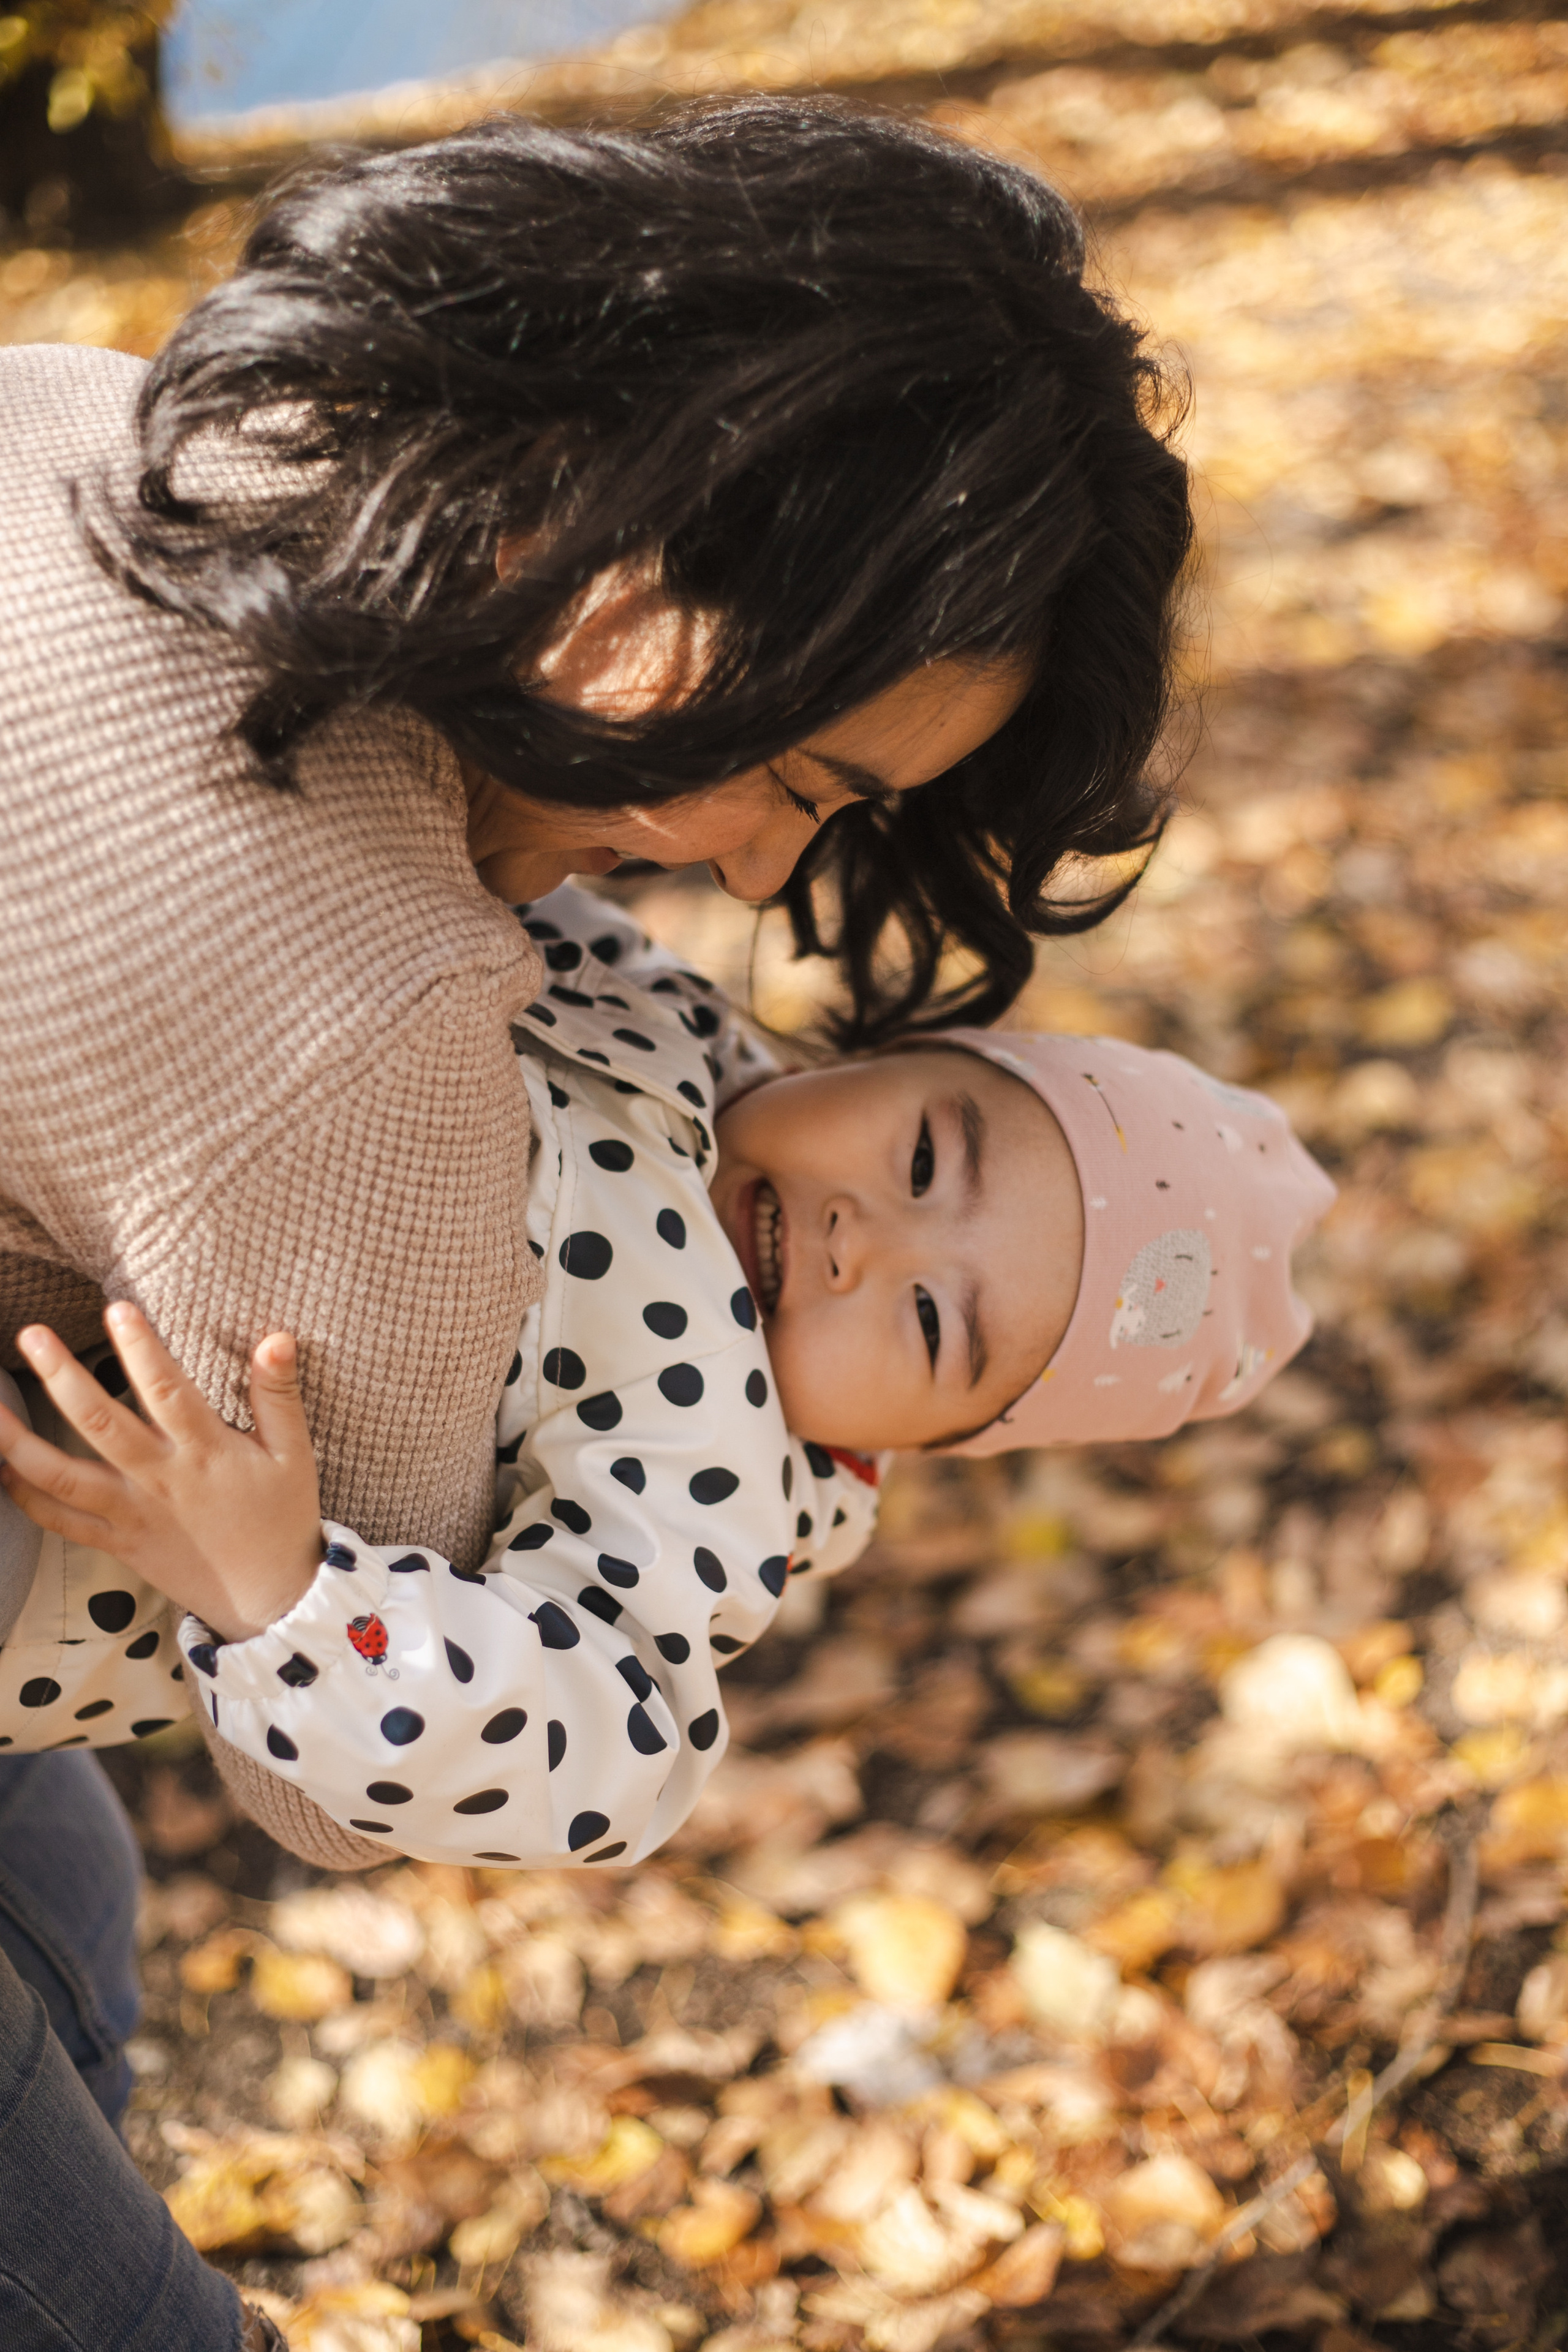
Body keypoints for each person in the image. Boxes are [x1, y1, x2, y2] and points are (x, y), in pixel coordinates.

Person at [0, 94, 1189, 2346]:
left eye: (953, 1336)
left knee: (51, 1864)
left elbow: (578, 1723)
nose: (754, 876)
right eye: (799, 775)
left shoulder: (105, 422)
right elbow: (328, 1777)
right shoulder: (358, 1026)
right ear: (655, 572)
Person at [0, 886, 1335, 1874]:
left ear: (936, 1439)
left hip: (67, 1545)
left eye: (933, 1325)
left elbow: (596, 1757)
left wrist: (281, 1594)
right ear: (883, 1059)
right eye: (923, 1160)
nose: (855, 1239)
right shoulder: (656, 1011)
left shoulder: (721, 1477)